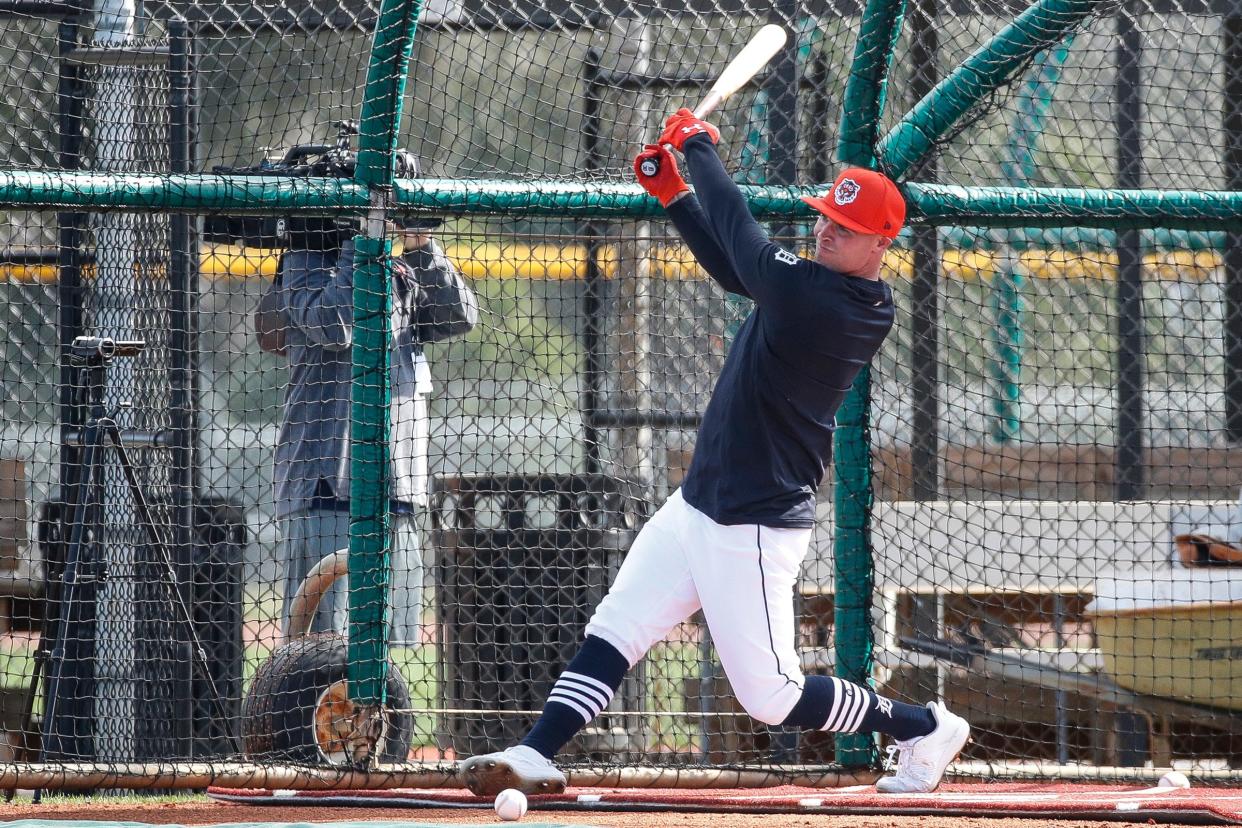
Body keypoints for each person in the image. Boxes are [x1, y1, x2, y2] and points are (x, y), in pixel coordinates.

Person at [458, 108, 969, 796]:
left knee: (773, 696)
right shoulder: (809, 285)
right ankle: (536, 751)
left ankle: (922, 725)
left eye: (842, 228)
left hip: (753, 521)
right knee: (618, 625)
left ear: (880, 244)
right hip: (701, 500)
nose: (824, 228)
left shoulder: (841, 305)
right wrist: (674, 195)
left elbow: (746, 241)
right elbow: (738, 271)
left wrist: (698, 148)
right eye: (823, 215)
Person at [274, 216, 477, 644]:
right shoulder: (304, 263)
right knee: (323, 650)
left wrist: (419, 247)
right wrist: (362, 246)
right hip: (327, 489)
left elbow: (458, 316)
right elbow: (335, 325)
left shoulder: (396, 269)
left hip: (396, 492)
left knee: (392, 654)